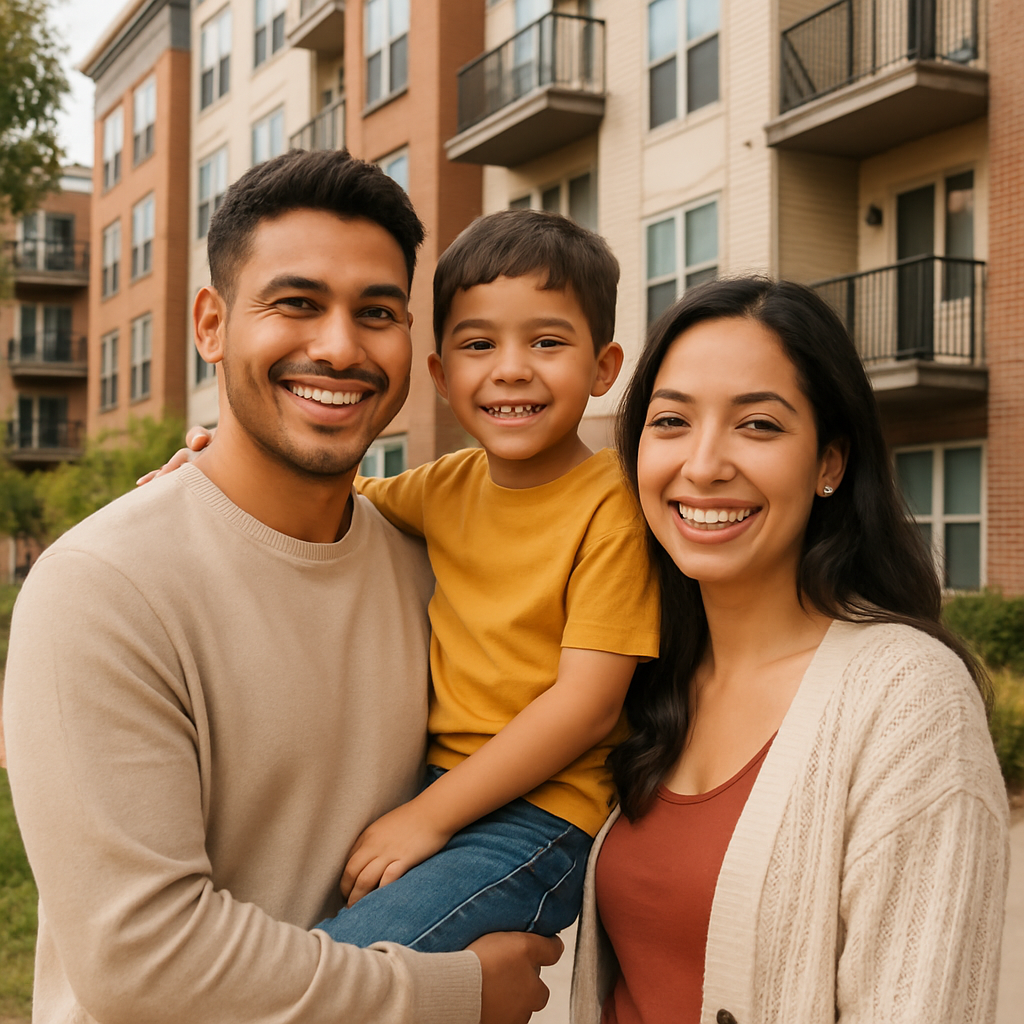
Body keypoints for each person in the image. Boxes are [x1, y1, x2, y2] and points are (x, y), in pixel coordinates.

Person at [3, 149, 561, 1024]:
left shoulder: (430, 566)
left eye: (375, 313)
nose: (339, 347)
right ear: (212, 324)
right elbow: (144, 962)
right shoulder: (100, 590)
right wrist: (454, 993)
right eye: (297, 303)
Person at [150, 209, 661, 954]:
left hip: (544, 817)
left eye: (547, 342)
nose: (512, 368)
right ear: (442, 376)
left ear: (605, 367)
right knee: (319, 944)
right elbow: (322, 496)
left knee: (351, 959)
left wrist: (431, 816)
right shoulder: (445, 487)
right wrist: (203, 459)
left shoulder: (616, 505)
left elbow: (585, 706)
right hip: (430, 783)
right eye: (479, 344)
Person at [570, 278, 1009, 1024]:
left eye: (759, 426)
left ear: (830, 463)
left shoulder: (906, 697)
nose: (703, 465)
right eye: (670, 420)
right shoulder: (639, 675)